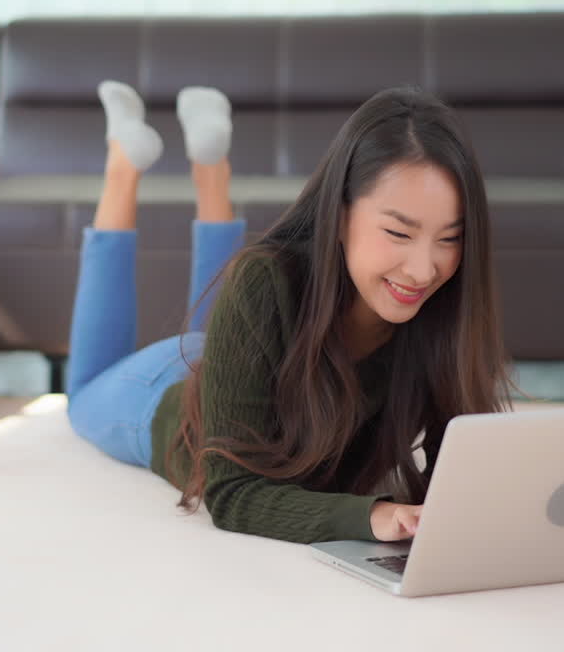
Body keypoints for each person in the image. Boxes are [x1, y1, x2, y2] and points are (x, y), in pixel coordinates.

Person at [66, 81, 514, 545]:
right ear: (339, 214)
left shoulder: (445, 307)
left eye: (449, 238)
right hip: (159, 391)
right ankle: (125, 164)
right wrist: (371, 516)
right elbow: (231, 492)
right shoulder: (263, 282)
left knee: (231, 306)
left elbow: (458, 474)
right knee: (80, 394)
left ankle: (209, 164)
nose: (424, 270)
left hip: (233, 352)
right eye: (399, 234)